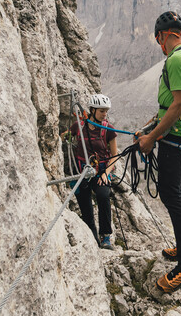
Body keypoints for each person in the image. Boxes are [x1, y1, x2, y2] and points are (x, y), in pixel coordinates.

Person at [137, 11, 181, 293]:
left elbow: (178, 104)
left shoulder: (176, 59)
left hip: (174, 136)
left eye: (158, 41)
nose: (160, 47)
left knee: (171, 194)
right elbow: (172, 105)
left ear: (163, 36)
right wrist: (149, 127)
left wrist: (152, 137)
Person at [66, 93, 118, 249]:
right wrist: (64, 136)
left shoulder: (108, 130)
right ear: (93, 110)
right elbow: (65, 136)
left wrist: (106, 173)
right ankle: (92, 236)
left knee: (103, 195)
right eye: (101, 111)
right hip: (83, 171)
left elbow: (114, 155)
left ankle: (106, 236)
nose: (104, 114)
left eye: (106, 111)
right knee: (85, 203)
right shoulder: (79, 127)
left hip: (101, 171)